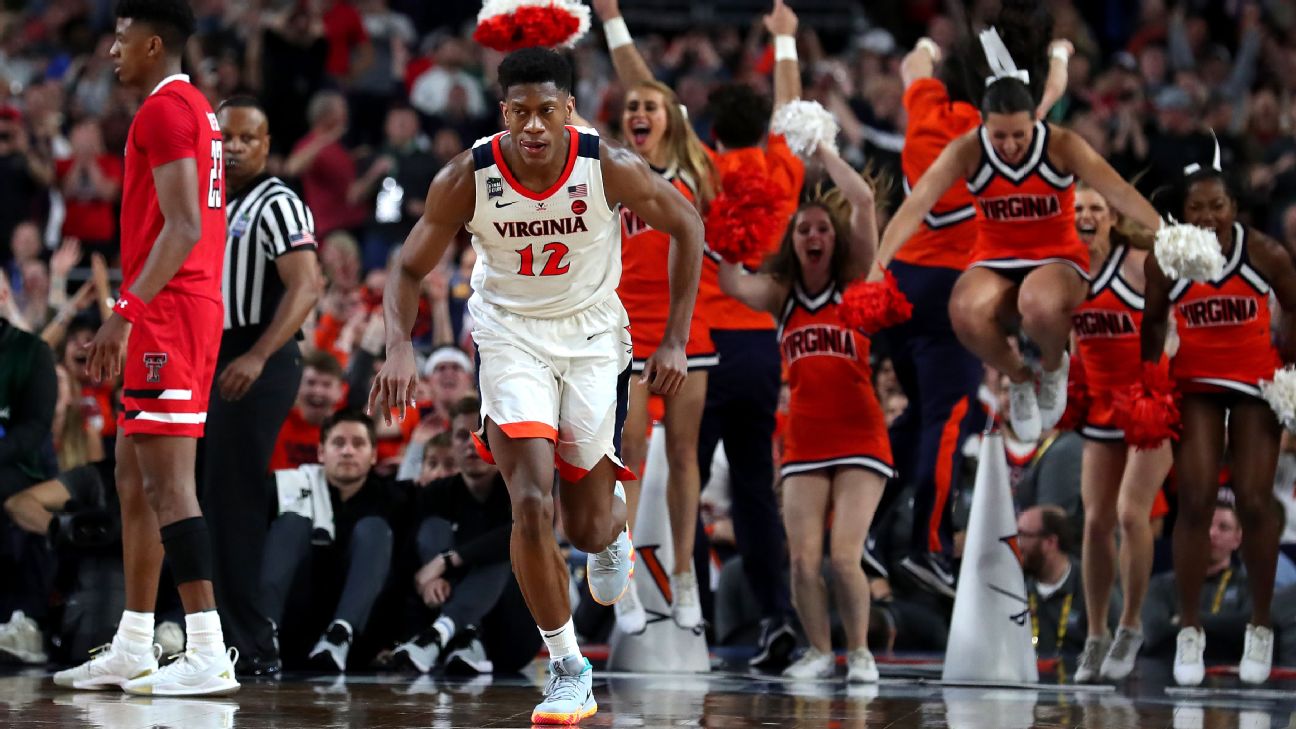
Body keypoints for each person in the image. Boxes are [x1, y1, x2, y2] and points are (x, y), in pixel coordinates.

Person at [368, 48, 704, 725]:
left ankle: (611, 528)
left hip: (590, 338)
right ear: (503, 113)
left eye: (546, 110)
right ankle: (569, 668)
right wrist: (399, 344)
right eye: (519, 111)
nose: (532, 124)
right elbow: (407, 268)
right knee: (528, 500)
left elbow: (687, 225)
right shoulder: (468, 176)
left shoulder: (607, 165)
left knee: (585, 525)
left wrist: (674, 337)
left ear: (568, 110)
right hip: (510, 336)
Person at [54, 0, 239, 695]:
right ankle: (133, 644)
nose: (112, 51)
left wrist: (124, 312)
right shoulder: (194, 106)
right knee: (131, 477)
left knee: (167, 484)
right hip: (173, 304)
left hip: (169, 309)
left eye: (122, 39)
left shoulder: (164, 110)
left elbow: (184, 225)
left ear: (154, 44)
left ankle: (207, 648)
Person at [877, 22, 1164, 449]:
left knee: (1037, 303)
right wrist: (877, 266)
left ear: (1034, 122)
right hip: (995, 259)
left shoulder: (1059, 142)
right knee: (962, 310)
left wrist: (1168, 233)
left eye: (1019, 135)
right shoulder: (969, 148)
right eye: (1000, 136)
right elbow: (914, 206)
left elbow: (1119, 191)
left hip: (1056, 256)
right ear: (983, 124)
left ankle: (1053, 366)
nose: (1010, 145)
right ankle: (1020, 377)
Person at [870, 11, 1072, 599]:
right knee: (951, 417)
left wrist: (929, 45)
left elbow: (913, 65)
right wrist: (1059, 54)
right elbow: (1051, 94)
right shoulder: (993, 137)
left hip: (901, 285)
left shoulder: (925, 107)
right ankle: (928, 545)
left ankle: (870, 531)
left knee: (916, 416)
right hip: (950, 289)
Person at [717, 141, 888, 683]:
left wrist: (823, 152)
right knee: (801, 559)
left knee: (844, 556)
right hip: (806, 440)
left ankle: (859, 653)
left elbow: (863, 201)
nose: (814, 236)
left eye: (823, 229)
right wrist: (732, 228)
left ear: (836, 239)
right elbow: (730, 282)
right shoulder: (782, 295)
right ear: (792, 241)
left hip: (860, 435)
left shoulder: (856, 281)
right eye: (804, 229)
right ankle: (818, 651)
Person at [1140, 152, 1296, 686]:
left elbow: (1293, 305)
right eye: (1197, 208)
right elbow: (1153, 321)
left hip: (1255, 383)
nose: (1208, 216)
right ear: (1182, 213)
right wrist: (1148, 384)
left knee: (1253, 499)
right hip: (1196, 382)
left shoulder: (1265, 252)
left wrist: (1289, 364)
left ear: (1235, 206)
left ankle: (1260, 625)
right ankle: (1190, 630)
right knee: (1196, 499)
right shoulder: (1167, 257)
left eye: (1218, 205)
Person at [592, 0, 720, 632]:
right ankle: (625, 577)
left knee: (687, 455)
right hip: (625, 327)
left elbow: (642, 78)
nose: (639, 113)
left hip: (685, 328)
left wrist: (612, 21)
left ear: (673, 117)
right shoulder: (615, 168)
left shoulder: (695, 167)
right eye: (631, 107)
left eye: (651, 107)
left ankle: (686, 574)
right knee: (631, 449)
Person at [693, 0, 806, 670]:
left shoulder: (699, 174)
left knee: (685, 485)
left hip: (703, 346)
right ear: (763, 132)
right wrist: (784, 42)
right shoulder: (782, 172)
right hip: (762, 347)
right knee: (755, 493)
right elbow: (792, 110)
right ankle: (776, 618)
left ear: (712, 133)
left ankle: (692, 618)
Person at [203, 96, 323, 675]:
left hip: (258, 354)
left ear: (267, 145)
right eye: (226, 137)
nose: (235, 147)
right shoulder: (208, 202)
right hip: (213, 356)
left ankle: (251, 643)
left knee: (234, 500)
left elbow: (307, 286)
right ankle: (213, 634)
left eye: (247, 138)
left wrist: (256, 355)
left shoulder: (278, 202)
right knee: (208, 497)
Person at [1066, 185, 1172, 683]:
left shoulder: (1137, 265)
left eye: (1096, 208)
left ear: (1112, 217)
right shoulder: (1064, 272)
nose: (1086, 216)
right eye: (1078, 209)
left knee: (1132, 513)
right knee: (1094, 522)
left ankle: (1130, 625)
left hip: (1148, 401)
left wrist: (1162, 374)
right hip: (1100, 404)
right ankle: (1096, 634)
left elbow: (1175, 320)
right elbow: (1071, 336)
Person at [392, 397, 540, 674]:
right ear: (451, 442)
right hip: (441, 625)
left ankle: (443, 631)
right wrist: (426, 581)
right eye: (462, 435)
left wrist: (446, 561)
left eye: (484, 434)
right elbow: (410, 559)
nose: (473, 443)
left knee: (508, 548)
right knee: (433, 528)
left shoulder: (522, 490)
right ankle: (461, 634)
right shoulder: (435, 493)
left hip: (509, 633)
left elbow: (521, 535)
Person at [260, 410, 402, 672]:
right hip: (293, 615)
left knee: (375, 529)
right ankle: (264, 634)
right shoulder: (284, 486)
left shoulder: (393, 500)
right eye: (338, 443)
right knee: (292, 521)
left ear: (373, 455)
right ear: (321, 452)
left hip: (358, 636)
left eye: (358, 444)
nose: (347, 451)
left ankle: (339, 634)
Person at [1019, 505, 1114, 658]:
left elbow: (1117, 644)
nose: (1017, 543)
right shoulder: (1016, 587)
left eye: (1023, 535)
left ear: (1050, 542)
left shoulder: (1091, 586)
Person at [269, 350, 347, 471]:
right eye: (311, 383)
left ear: (340, 392)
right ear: (297, 386)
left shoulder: (349, 432)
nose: (317, 391)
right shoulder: (275, 422)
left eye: (326, 385)